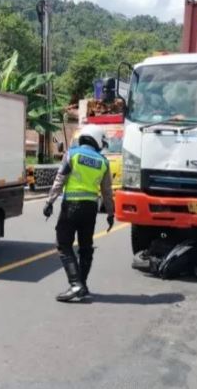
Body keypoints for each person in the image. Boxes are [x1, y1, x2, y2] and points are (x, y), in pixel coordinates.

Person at [43, 124, 115, 302]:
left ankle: (75, 284)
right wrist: (110, 214)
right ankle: (82, 285)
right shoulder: (103, 162)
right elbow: (107, 192)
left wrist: (49, 201)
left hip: (71, 207)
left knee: (63, 244)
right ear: (97, 140)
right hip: (90, 209)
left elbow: (60, 179)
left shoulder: (72, 154)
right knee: (85, 248)